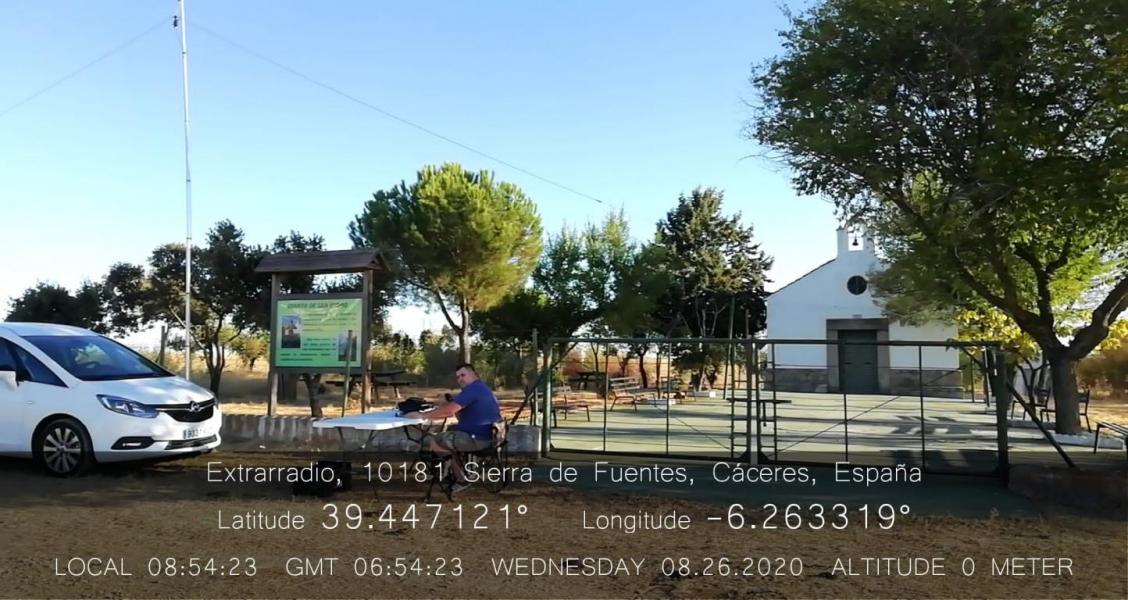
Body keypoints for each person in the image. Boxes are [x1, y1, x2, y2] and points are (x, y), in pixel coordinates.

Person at [404, 363, 501, 492]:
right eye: (458, 377)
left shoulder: (473, 390)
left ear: (474, 374)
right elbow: (459, 414)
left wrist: (422, 415)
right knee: (448, 432)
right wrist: (448, 405)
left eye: (463, 375)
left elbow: (450, 411)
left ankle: (460, 479)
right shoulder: (481, 388)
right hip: (488, 437)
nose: (460, 379)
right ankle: (450, 471)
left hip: (478, 440)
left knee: (436, 441)